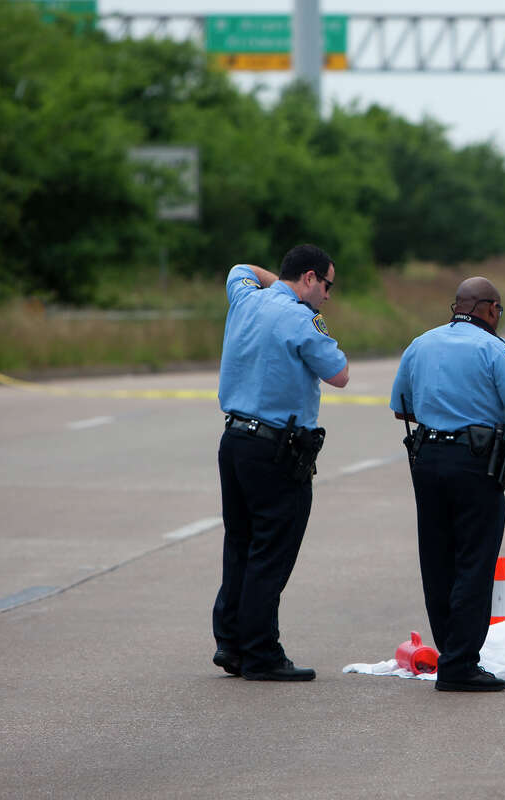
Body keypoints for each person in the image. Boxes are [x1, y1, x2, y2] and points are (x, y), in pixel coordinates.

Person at [391, 277, 505, 692]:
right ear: (490, 309)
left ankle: (448, 653)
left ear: (457, 306)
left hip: (428, 458)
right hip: (475, 463)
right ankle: (460, 664)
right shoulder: (497, 349)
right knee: (474, 561)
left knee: (437, 559)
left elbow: (400, 406)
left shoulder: (419, 344)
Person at [213, 244, 349, 681]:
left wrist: (277, 285)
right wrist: (293, 299)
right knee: (271, 552)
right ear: (309, 278)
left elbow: (240, 267)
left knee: (239, 546)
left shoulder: (247, 298)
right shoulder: (301, 319)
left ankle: (231, 645)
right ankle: (261, 653)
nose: (328, 296)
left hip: (234, 441)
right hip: (275, 451)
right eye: (326, 284)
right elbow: (339, 373)